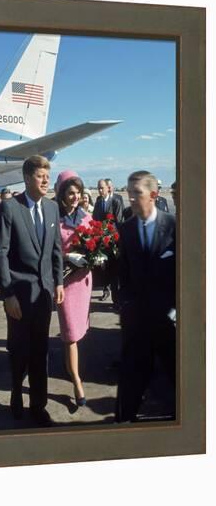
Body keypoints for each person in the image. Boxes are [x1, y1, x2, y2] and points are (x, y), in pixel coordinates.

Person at [0, 155, 64, 427]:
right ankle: (16, 393)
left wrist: (58, 281)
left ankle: (38, 405)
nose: (46, 180)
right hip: (19, 296)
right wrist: (7, 294)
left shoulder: (52, 208)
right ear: (26, 178)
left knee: (41, 351)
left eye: (48, 175)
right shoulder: (10, 208)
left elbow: (56, 249)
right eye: (40, 176)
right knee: (19, 350)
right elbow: (0, 252)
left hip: (44, 293)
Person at [116, 171, 176, 422]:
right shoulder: (126, 229)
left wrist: (176, 310)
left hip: (167, 320)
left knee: (176, 374)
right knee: (131, 374)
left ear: (153, 195)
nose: (130, 198)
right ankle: (123, 421)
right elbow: (123, 272)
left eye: (136, 193)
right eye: (129, 193)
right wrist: (125, 307)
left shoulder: (174, 226)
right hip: (137, 319)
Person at [56, 175, 93, 406]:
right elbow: (47, 250)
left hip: (83, 281)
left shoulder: (87, 217)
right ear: (61, 194)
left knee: (79, 329)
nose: (75, 196)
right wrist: (67, 256)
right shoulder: (54, 219)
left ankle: (73, 366)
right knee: (70, 332)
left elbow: (97, 241)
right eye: (71, 193)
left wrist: (95, 256)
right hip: (66, 282)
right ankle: (77, 380)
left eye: (78, 192)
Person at [93, 179, 123, 306]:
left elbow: (119, 221)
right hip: (102, 242)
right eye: (98, 188)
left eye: (102, 188)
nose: (100, 190)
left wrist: (112, 235)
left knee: (115, 271)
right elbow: (95, 219)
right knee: (104, 269)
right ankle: (106, 291)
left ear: (108, 188)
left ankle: (116, 300)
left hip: (113, 242)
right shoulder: (98, 202)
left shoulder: (115, 201)